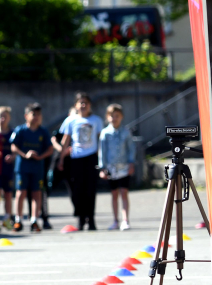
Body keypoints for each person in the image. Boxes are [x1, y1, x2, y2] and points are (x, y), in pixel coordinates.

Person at [58, 92, 104, 231]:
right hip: (76, 158)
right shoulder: (70, 120)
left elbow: (100, 140)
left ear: (90, 105)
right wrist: (61, 158)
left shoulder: (96, 120)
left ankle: (91, 219)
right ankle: (80, 217)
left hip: (91, 158)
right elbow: (65, 140)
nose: (83, 105)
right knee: (77, 190)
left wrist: (101, 159)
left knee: (90, 189)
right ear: (76, 105)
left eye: (86, 103)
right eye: (81, 103)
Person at [10, 103, 53, 233]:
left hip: (37, 168)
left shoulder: (43, 131)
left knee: (37, 193)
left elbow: (50, 149)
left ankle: (34, 219)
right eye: (34, 114)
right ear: (26, 116)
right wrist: (24, 155)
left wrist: (40, 157)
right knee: (20, 193)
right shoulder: (20, 130)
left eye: (39, 115)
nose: (36, 117)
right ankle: (18, 219)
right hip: (23, 167)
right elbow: (13, 146)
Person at [99, 104, 135, 231]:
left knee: (124, 192)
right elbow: (102, 151)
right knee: (114, 194)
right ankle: (115, 220)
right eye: (111, 116)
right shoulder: (105, 133)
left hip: (124, 167)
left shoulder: (126, 132)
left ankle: (125, 220)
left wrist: (131, 163)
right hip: (111, 168)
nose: (114, 118)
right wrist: (102, 168)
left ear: (121, 117)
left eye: (117, 116)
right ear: (107, 117)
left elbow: (131, 149)